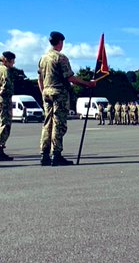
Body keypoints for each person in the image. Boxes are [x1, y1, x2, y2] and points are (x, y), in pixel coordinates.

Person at [37, 31, 96, 167]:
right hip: (59, 93)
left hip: (46, 92)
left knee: (47, 124)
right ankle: (56, 154)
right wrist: (88, 84)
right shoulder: (61, 58)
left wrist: (43, 92)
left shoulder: (43, 58)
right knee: (58, 123)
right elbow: (70, 78)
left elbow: (40, 79)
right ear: (60, 42)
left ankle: (44, 154)